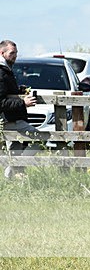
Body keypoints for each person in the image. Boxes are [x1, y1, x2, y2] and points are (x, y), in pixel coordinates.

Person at [0, 39, 48, 179]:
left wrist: (18, 90)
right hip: (9, 119)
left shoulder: (6, 69)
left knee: (15, 147)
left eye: (16, 53)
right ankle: (13, 168)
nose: (15, 56)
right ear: (2, 53)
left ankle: (13, 174)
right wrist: (23, 102)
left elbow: (6, 93)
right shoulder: (2, 72)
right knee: (41, 138)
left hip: (12, 118)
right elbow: (1, 101)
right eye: (12, 53)